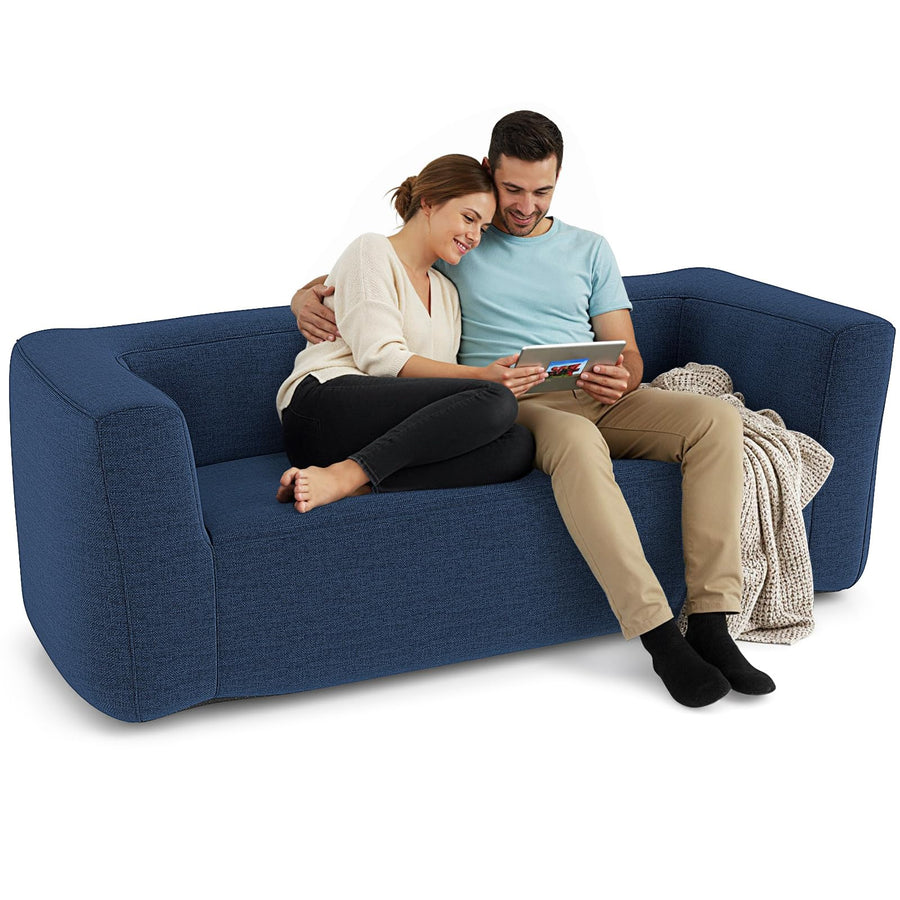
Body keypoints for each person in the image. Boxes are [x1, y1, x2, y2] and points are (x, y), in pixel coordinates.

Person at [292, 113, 777, 709]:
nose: (525, 206)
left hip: (594, 392)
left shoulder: (589, 249)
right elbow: (379, 268)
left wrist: (622, 374)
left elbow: (628, 351)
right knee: (575, 439)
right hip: (508, 403)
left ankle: (711, 621)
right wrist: (303, 296)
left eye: (542, 191)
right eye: (513, 190)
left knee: (716, 420)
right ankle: (656, 633)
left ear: (558, 180)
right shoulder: (466, 238)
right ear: (489, 174)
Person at [275, 153, 543, 515]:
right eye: (468, 218)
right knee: (496, 398)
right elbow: (382, 359)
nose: (474, 236)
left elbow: (437, 396)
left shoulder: (447, 293)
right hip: (321, 408)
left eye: (482, 228)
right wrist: (483, 377)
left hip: (380, 435)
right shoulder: (371, 249)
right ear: (428, 203)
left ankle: (356, 481)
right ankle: (346, 474)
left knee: (517, 445)